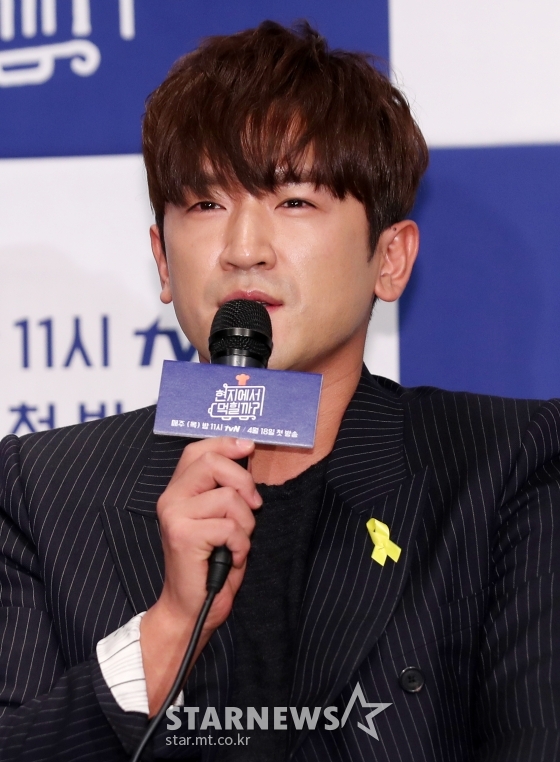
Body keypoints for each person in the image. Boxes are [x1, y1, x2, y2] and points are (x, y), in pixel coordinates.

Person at [0, 19, 558, 762]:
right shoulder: (42, 491)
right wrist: (167, 630)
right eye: (206, 204)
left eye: (294, 201)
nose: (243, 249)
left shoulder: (503, 468)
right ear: (163, 261)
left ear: (390, 259)